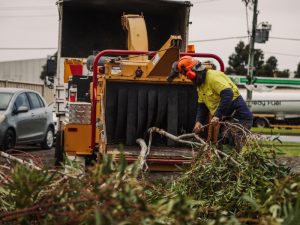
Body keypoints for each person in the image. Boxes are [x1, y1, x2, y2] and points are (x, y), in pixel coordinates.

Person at [167, 56, 253, 151]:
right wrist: (198, 121)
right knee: (222, 144)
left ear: (192, 73)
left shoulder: (213, 77)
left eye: (187, 76)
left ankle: (233, 164)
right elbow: (202, 105)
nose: (189, 79)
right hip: (227, 118)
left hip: (239, 116)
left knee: (232, 147)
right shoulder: (200, 85)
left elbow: (228, 94)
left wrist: (217, 116)